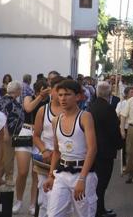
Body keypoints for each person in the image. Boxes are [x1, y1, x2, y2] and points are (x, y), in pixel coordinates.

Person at [43, 79, 97, 217]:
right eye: (60, 95)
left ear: (78, 97)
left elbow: (92, 149)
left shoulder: (85, 117)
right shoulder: (56, 120)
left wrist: (82, 179)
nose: (63, 98)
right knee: (53, 214)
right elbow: (56, 151)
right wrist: (50, 175)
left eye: (67, 94)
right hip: (62, 173)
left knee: (84, 214)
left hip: (83, 173)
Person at [90, 82, 124, 217]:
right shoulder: (109, 109)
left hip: (93, 150)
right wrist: (120, 144)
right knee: (102, 183)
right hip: (105, 152)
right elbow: (113, 130)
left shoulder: (91, 107)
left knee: (96, 182)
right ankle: (98, 211)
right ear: (109, 94)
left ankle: (100, 208)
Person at [17, 79, 50, 214]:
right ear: (39, 89)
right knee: (22, 172)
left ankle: (33, 203)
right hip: (25, 132)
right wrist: (40, 97)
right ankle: (18, 200)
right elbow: (28, 108)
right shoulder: (28, 97)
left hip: (40, 136)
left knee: (36, 173)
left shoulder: (49, 102)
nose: (48, 91)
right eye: (46, 89)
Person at [33, 76, 64, 217]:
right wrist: (44, 150)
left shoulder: (70, 112)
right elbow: (36, 135)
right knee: (44, 199)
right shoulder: (42, 111)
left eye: (62, 91)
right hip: (45, 159)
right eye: (56, 90)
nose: (58, 94)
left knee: (59, 199)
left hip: (64, 160)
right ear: (51, 91)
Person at [0, 81, 25, 189]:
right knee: (7, 157)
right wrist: (5, 133)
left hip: (13, 133)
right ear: (17, 91)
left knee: (6, 158)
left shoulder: (11, 100)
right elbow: (2, 117)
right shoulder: (6, 101)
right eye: (20, 90)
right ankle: (8, 178)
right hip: (7, 133)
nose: (21, 92)